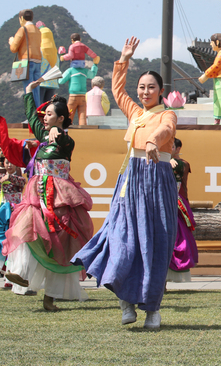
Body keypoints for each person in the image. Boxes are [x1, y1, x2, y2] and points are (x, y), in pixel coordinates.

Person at [72, 36, 178, 329]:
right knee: (120, 238)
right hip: (129, 180)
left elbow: (166, 130)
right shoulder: (135, 112)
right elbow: (117, 91)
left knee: (154, 244)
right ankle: (125, 302)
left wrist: (155, 142)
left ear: (161, 91)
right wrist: (124, 59)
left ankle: (152, 310)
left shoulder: (167, 114)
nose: (145, 91)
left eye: (151, 87)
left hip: (156, 180)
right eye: (142, 87)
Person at [2, 82, 94, 311]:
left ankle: (50, 297)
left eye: (50, 114)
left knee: (58, 243)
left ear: (61, 118)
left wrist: (58, 133)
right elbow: (32, 117)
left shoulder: (66, 141)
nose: (44, 118)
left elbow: (61, 139)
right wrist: (27, 93)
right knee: (25, 227)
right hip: (37, 194)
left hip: (60, 197)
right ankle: (18, 273)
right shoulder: (44, 135)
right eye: (45, 115)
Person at [167, 138, 198, 283]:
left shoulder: (182, 164)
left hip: (177, 207)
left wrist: (167, 161)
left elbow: (179, 167)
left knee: (178, 239)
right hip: (162, 206)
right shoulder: (161, 162)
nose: (167, 148)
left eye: (170, 146)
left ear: (178, 149)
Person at [0, 156, 27, 283]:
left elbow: (22, 182)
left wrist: (9, 178)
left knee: (13, 243)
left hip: (15, 213)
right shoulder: (1, 177)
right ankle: (4, 269)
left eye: (12, 162)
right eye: (7, 162)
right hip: (2, 213)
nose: (9, 165)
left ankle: (9, 275)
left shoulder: (19, 179)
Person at [8, 9, 42, 106]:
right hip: (38, 62)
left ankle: (30, 114)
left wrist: (11, 41)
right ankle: (37, 113)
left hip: (27, 62)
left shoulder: (23, 29)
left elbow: (14, 48)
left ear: (21, 18)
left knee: (28, 90)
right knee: (36, 90)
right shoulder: (38, 30)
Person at [198, 33, 221, 125]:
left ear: (217, 42)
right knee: (217, 99)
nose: (210, 44)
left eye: (212, 42)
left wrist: (206, 74)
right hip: (218, 78)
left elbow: (216, 66)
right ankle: (217, 119)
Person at [59, 60, 98, 126]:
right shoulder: (85, 71)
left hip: (73, 96)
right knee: (82, 116)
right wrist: (95, 65)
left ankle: (67, 129)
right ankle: (83, 133)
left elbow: (61, 81)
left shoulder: (70, 70)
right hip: (82, 96)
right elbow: (92, 75)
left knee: (69, 115)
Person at [36, 21, 59, 103]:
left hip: (41, 82)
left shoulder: (39, 51)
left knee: (39, 106)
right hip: (53, 83)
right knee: (48, 107)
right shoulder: (55, 54)